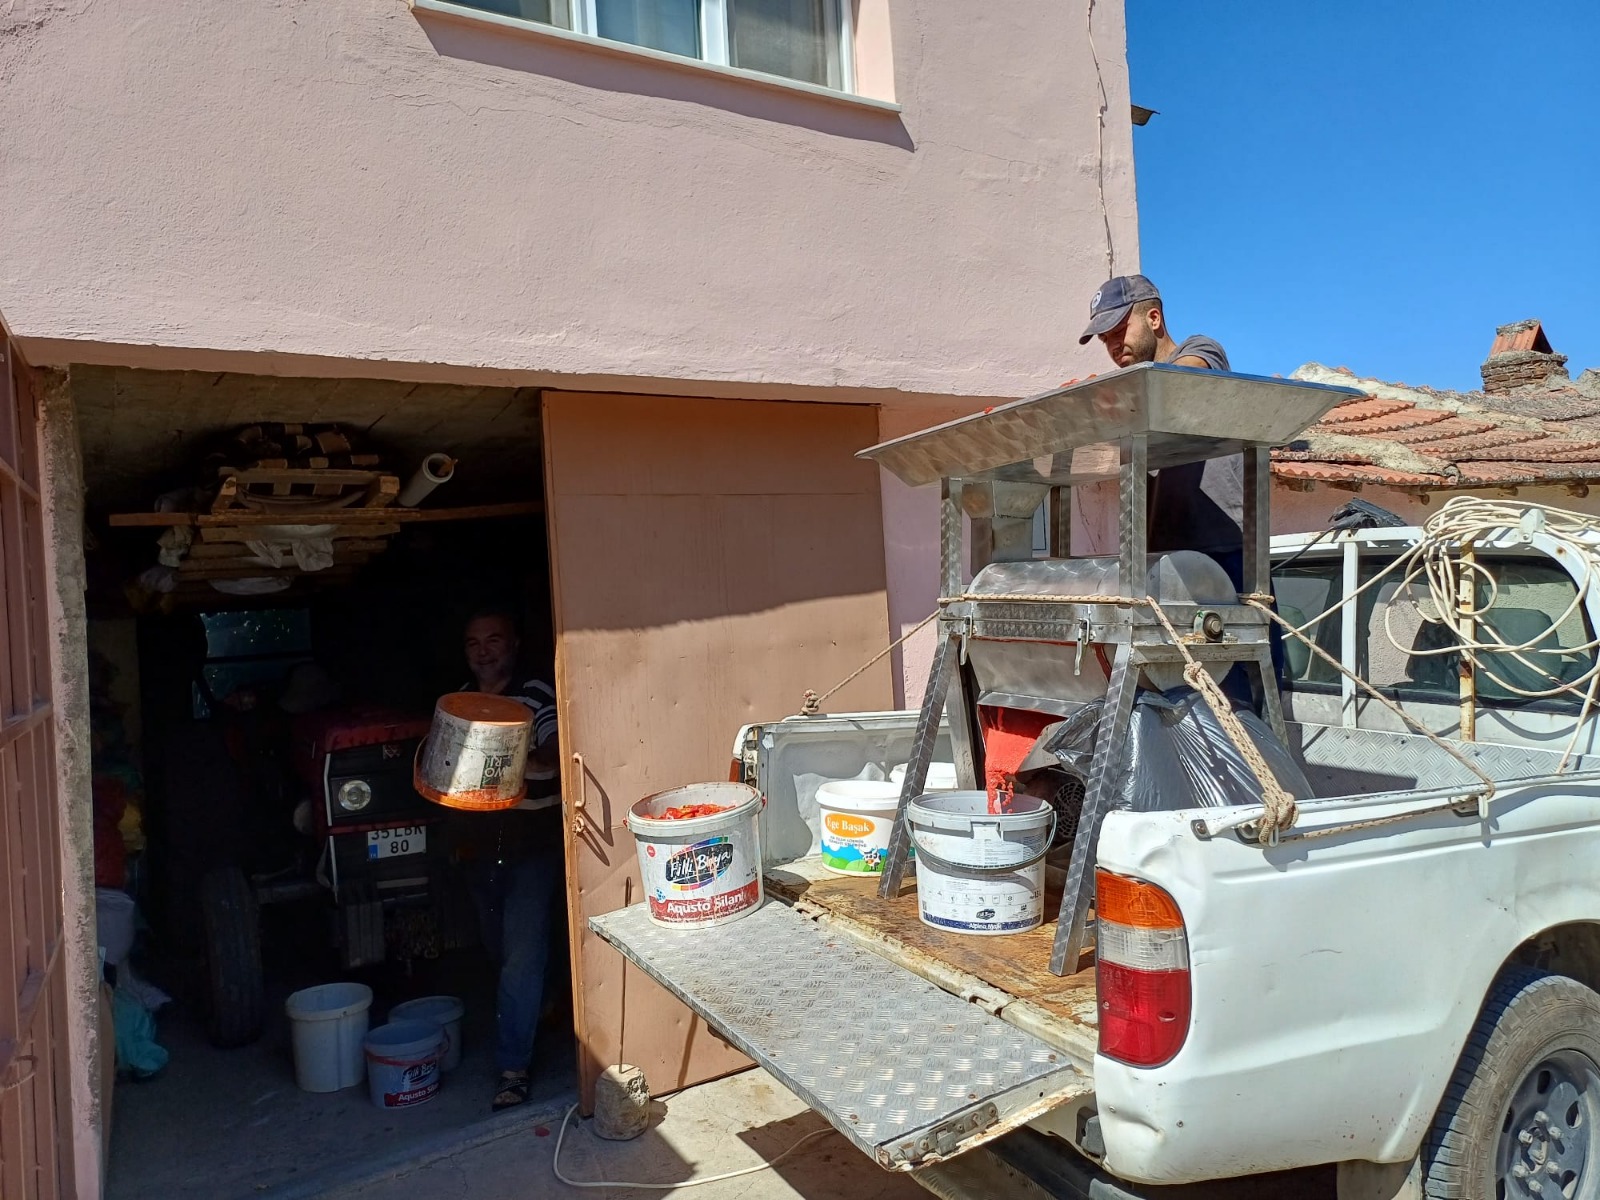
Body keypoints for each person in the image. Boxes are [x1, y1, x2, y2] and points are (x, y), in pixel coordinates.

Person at [452, 607, 565, 1111]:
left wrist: (507, 761)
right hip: (479, 849)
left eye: (493, 640)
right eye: (473, 642)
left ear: (513, 644)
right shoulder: (461, 701)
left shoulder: (536, 693)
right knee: (502, 953)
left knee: (520, 959)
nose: (483, 651)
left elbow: (557, 754)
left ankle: (512, 1069)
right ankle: (545, 1004)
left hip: (530, 848)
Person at [1078, 274, 1240, 581]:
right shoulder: (1130, 399)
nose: (1113, 346)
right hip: (1161, 560)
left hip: (1225, 549)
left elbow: (1178, 378)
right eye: (1105, 339)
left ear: (1153, 318)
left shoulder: (1201, 349)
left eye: (1119, 331)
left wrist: (1108, 394)